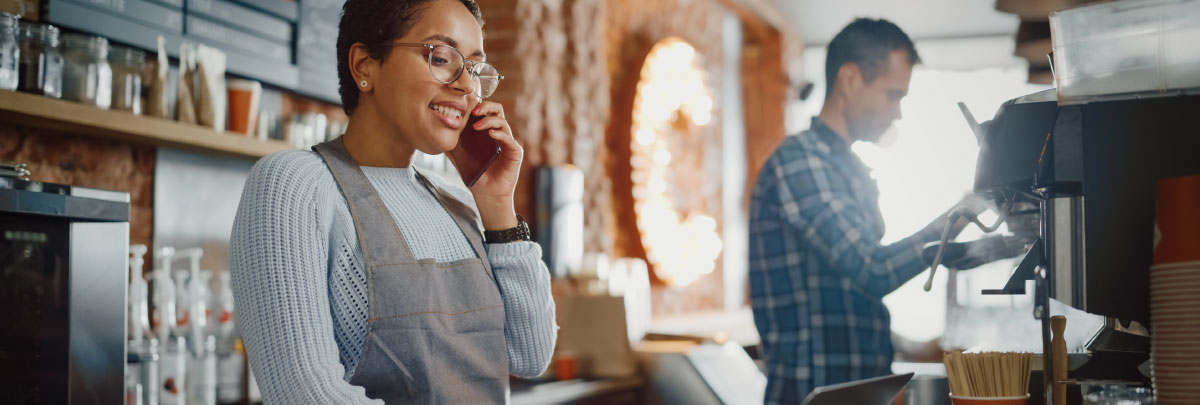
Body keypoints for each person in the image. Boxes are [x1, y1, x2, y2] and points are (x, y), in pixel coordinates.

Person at [229, 0, 556, 402]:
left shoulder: (462, 205)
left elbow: (530, 355)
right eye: (441, 57)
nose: (467, 87)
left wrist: (497, 204)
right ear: (365, 65)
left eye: (473, 68)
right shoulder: (295, 185)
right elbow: (308, 395)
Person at [748, 18, 979, 404]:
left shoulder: (847, 170)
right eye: (893, 96)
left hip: (859, 392)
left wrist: (908, 345)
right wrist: (962, 213)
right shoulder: (800, 163)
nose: (898, 113)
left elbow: (845, 299)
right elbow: (872, 271)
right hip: (810, 396)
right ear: (850, 79)